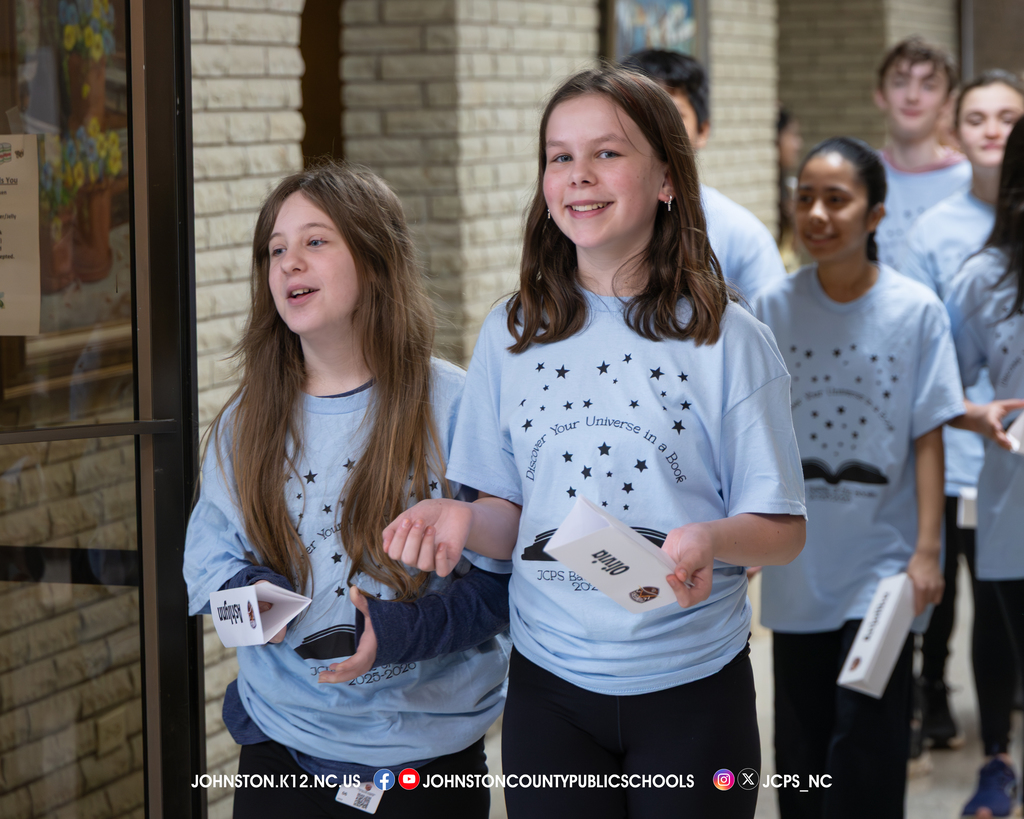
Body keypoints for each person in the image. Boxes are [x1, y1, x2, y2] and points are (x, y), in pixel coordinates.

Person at [382, 65, 807, 818]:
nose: (579, 176)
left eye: (607, 153)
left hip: (692, 687)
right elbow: (509, 514)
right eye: (558, 156)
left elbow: (783, 529)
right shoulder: (510, 332)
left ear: (668, 178)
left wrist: (709, 536)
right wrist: (461, 519)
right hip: (550, 689)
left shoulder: (729, 339)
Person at [182, 163, 511, 818]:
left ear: (376, 259)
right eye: (276, 249)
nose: (288, 262)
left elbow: (500, 584)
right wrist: (260, 604)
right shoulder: (248, 420)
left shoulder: (456, 403)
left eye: (315, 241)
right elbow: (208, 573)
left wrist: (395, 632)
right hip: (283, 741)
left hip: (428, 753)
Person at [753, 137, 962, 819]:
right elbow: (750, 433)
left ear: (874, 216)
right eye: (804, 197)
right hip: (799, 562)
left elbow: (927, 433)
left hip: (882, 568)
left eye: (836, 199)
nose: (816, 213)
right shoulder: (769, 307)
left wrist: (927, 550)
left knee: (867, 742)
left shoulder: (916, 310)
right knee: (803, 746)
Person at [899, 69, 1024, 755]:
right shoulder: (949, 239)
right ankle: (951, 713)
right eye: (978, 117)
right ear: (956, 128)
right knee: (958, 600)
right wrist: (968, 413)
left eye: (1009, 117)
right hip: (968, 455)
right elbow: (934, 355)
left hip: (1004, 463)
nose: (994, 131)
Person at [945, 117, 1024, 819]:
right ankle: (998, 760)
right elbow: (943, 390)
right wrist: (978, 413)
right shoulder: (984, 277)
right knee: (1008, 643)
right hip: (1014, 506)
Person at [623, 49, 788, 300]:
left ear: (702, 130)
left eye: (672, 116)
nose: (653, 131)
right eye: (637, 116)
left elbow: (772, 330)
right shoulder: (592, 219)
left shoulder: (742, 236)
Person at [873, 36, 971, 270]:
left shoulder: (970, 180)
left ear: (948, 102)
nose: (912, 96)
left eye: (928, 86)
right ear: (880, 95)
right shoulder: (861, 176)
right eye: (900, 83)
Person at [778, 106, 805, 272]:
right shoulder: (769, 195)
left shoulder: (789, 190)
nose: (798, 144)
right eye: (792, 134)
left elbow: (794, 251)